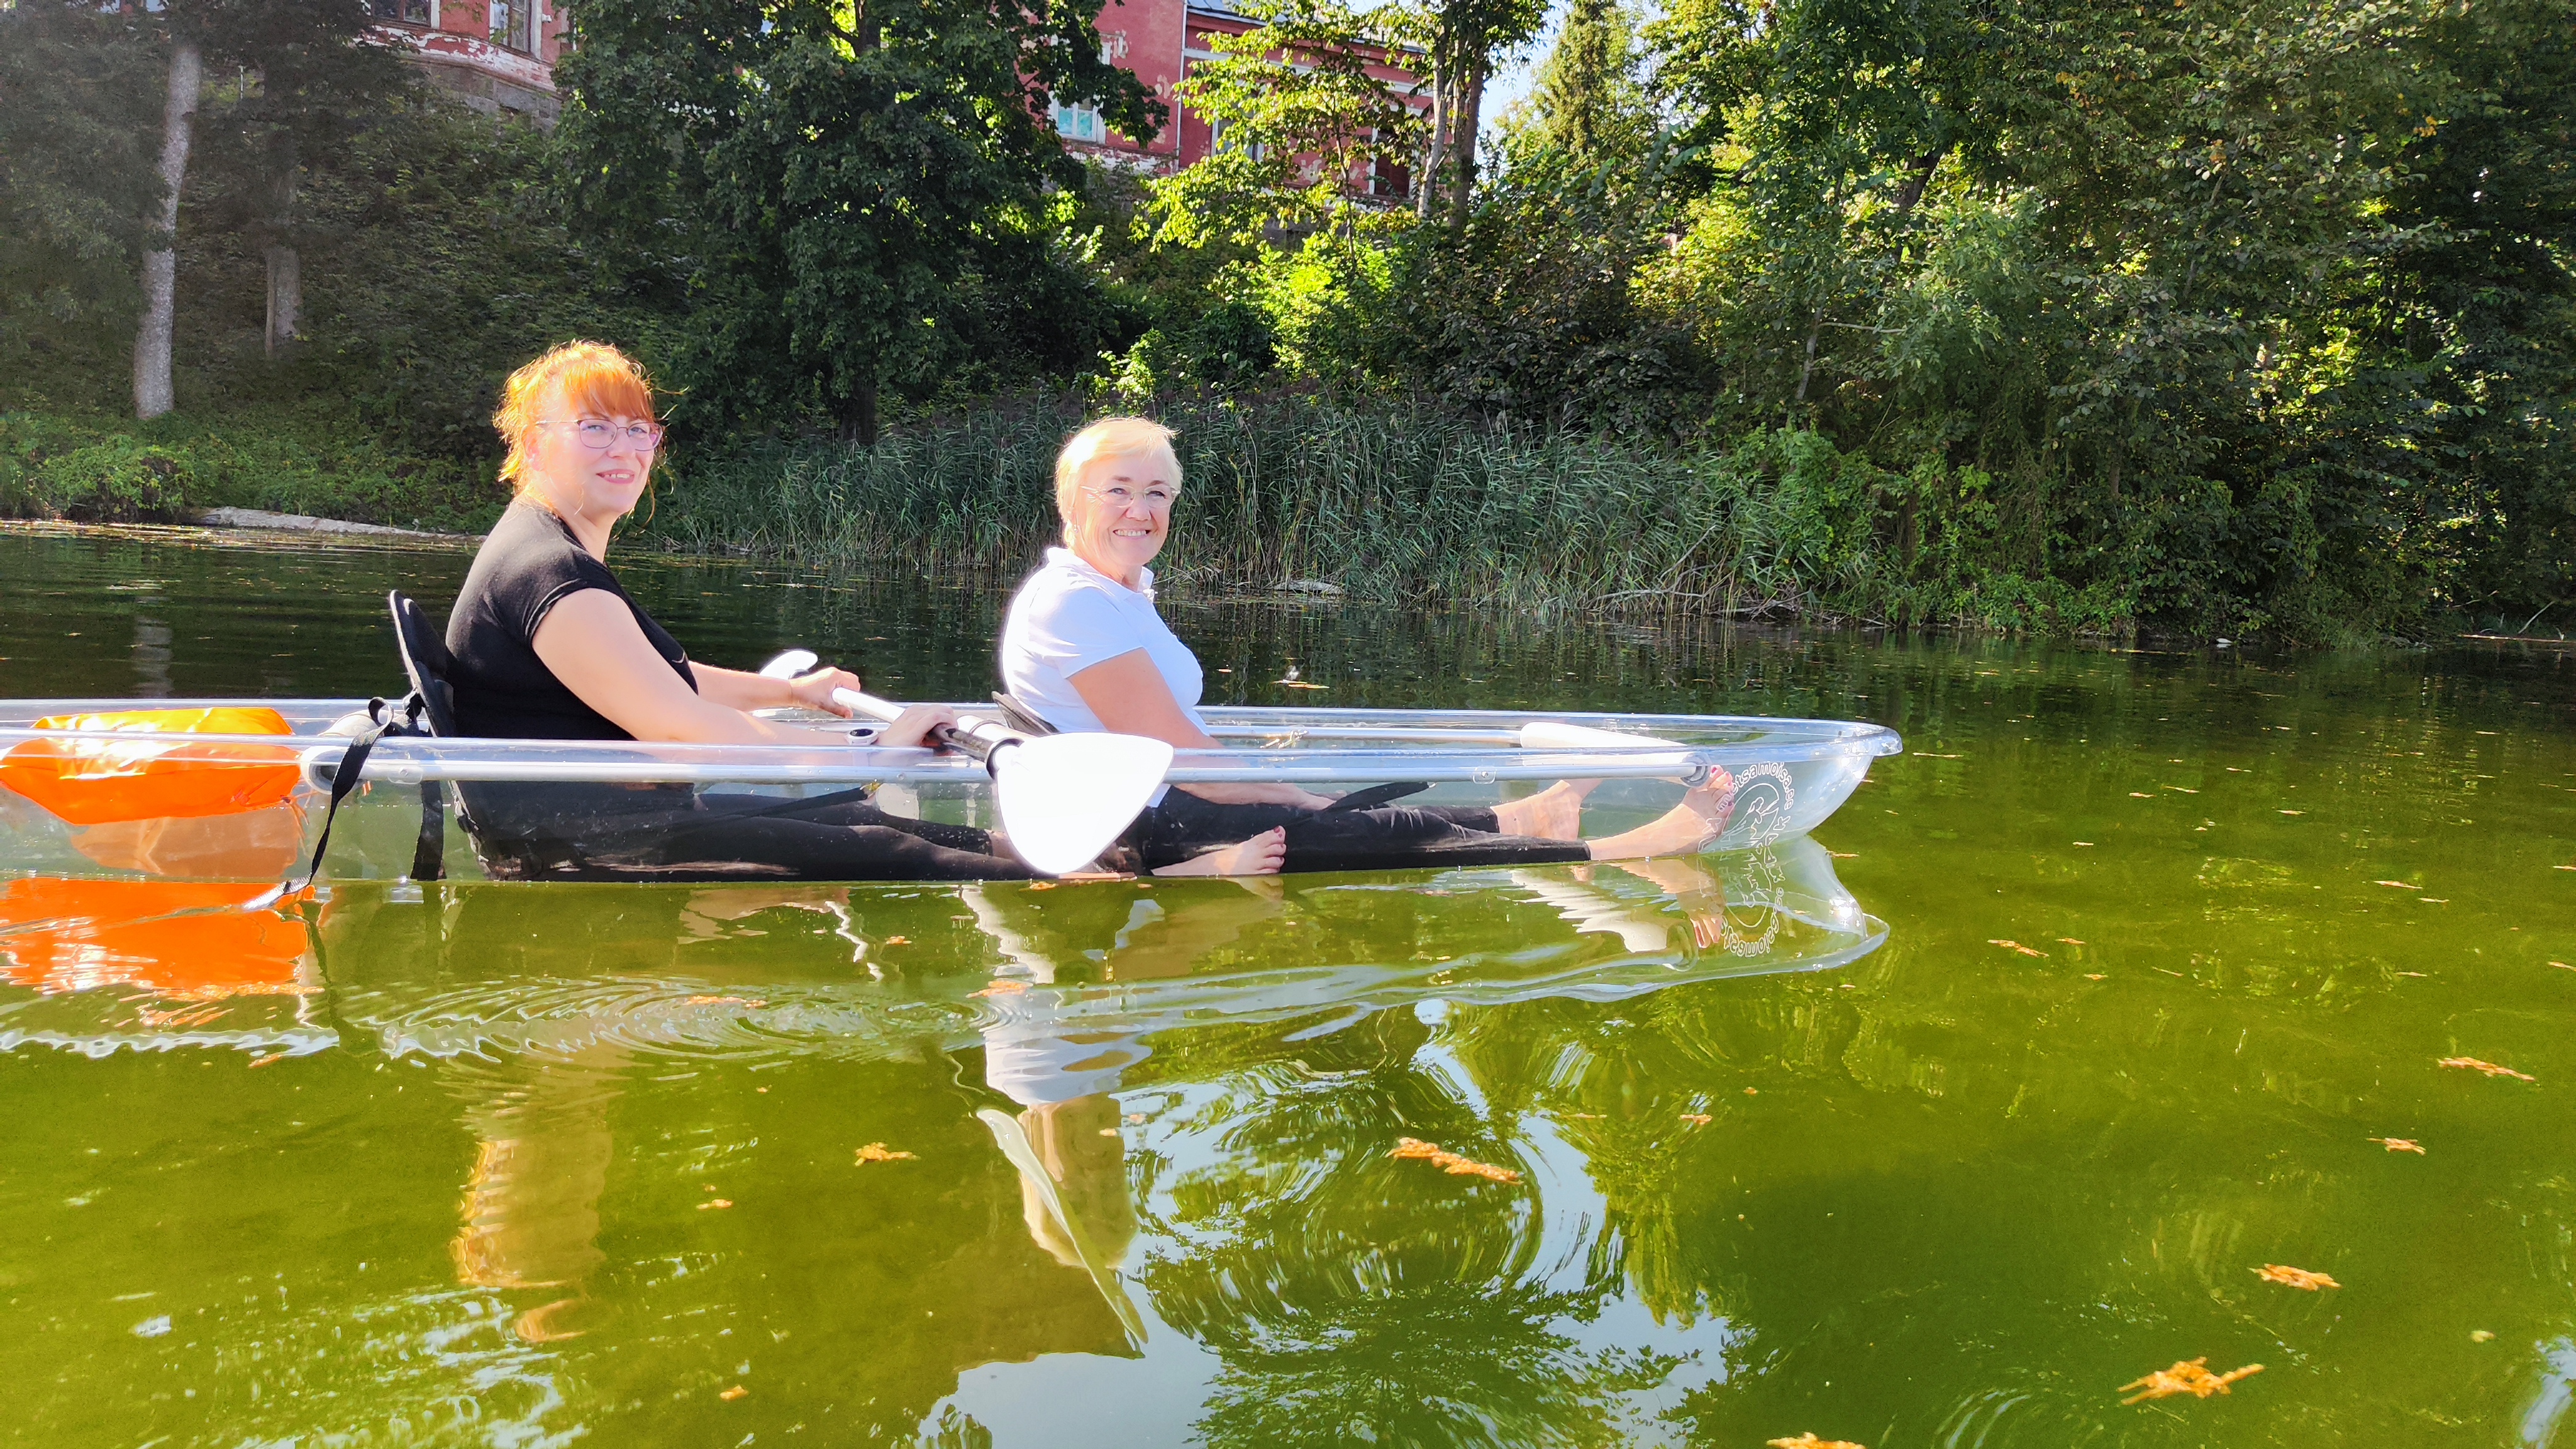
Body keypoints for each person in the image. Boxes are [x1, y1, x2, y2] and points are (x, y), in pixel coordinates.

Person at [443, 343, 1257, 881]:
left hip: (614, 824)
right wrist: (858, 747)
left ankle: (1123, 870)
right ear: (533, 441)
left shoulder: (550, 553)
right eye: (594, 428)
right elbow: (681, 726)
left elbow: (669, 678)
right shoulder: (552, 575)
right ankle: (1155, 879)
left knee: (861, 815)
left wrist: (793, 695)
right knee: (890, 837)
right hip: (595, 849)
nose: (624, 449)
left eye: (639, 430)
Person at [999, 418, 1737, 874]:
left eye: (1158, 492)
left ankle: (1538, 817)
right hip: (1139, 823)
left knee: (1361, 815)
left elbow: (1178, 742)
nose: (1141, 509)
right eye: (1117, 490)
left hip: (1159, 801)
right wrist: (1292, 791)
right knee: (1375, 826)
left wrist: (1287, 788)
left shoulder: (1122, 596)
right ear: (1072, 502)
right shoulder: (1074, 601)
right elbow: (1184, 760)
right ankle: (1628, 851)